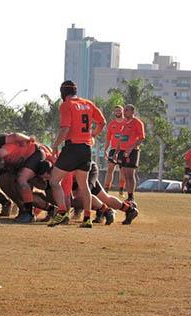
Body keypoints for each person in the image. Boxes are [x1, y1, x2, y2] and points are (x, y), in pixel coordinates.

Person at [48, 80, 106, 228]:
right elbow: (102, 122)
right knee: (83, 185)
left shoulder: (67, 105)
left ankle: (62, 212)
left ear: (63, 93)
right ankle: (87, 218)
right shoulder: (88, 103)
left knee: (54, 181)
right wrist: (93, 135)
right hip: (86, 149)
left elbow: (65, 129)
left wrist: (55, 145)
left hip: (72, 147)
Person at [116, 104, 145, 202]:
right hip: (122, 151)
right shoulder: (124, 122)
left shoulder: (137, 123)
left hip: (132, 151)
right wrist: (117, 151)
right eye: (124, 110)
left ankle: (131, 196)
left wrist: (131, 148)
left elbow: (141, 137)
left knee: (130, 174)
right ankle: (128, 195)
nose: (124, 111)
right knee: (124, 173)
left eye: (127, 110)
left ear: (133, 112)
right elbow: (121, 138)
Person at [103, 105, 126, 195]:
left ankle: (121, 189)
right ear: (114, 112)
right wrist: (105, 150)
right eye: (116, 111)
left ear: (122, 111)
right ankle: (106, 189)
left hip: (123, 149)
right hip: (113, 149)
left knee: (123, 170)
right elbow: (108, 139)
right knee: (110, 169)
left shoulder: (126, 122)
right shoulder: (112, 124)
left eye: (119, 110)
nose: (118, 112)